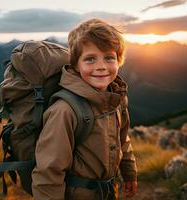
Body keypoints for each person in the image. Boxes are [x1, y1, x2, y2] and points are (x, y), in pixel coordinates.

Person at [32, 18, 137, 200]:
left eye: (109, 57)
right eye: (90, 59)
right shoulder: (65, 110)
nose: (101, 66)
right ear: (75, 64)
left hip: (109, 192)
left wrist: (129, 172)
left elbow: (122, 139)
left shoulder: (115, 99)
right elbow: (49, 171)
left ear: (119, 61)